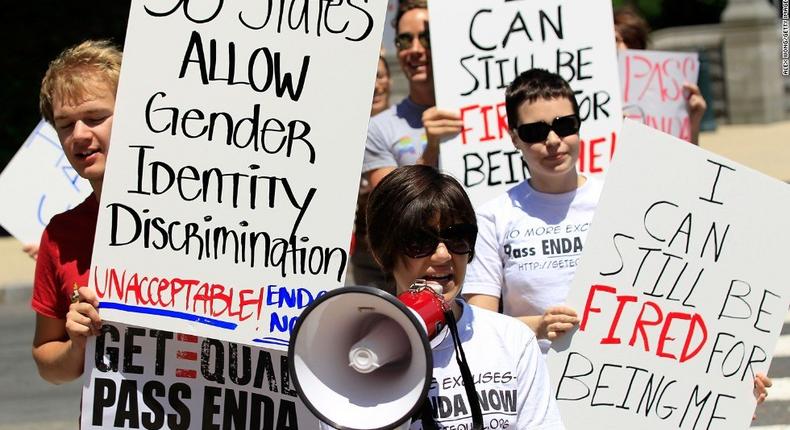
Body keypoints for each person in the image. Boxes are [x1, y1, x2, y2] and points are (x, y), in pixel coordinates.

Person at [461, 68, 771, 414]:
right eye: (535, 131)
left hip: (626, 396)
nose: (553, 140)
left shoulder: (624, 198)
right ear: (514, 137)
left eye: (565, 125)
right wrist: (540, 326)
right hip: (538, 400)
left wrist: (727, 383)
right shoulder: (493, 217)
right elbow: (481, 327)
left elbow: (685, 284)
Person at [366, 164, 564, 429]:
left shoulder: (512, 339)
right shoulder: (354, 351)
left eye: (458, 238)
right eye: (419, 241)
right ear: (382, 253)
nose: (443, 256)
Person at [31, 39, 119, 384]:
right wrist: (76, 346)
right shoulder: (60, 235)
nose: (80, 135)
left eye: (95, 117)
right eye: (65, 124)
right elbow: (46, 360)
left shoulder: (207, 219)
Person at [362, 0, 462, 190]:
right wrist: (430, 151)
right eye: (405, 41)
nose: (415, 49)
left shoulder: (483, 109)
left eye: (426, 38)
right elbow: (392, 208)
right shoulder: (378, 129)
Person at [613, 6, 707, 145]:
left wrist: (692, 124)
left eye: (631, 42)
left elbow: (682, 161)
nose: (624, 48)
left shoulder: (654, 98)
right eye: (616, 40)